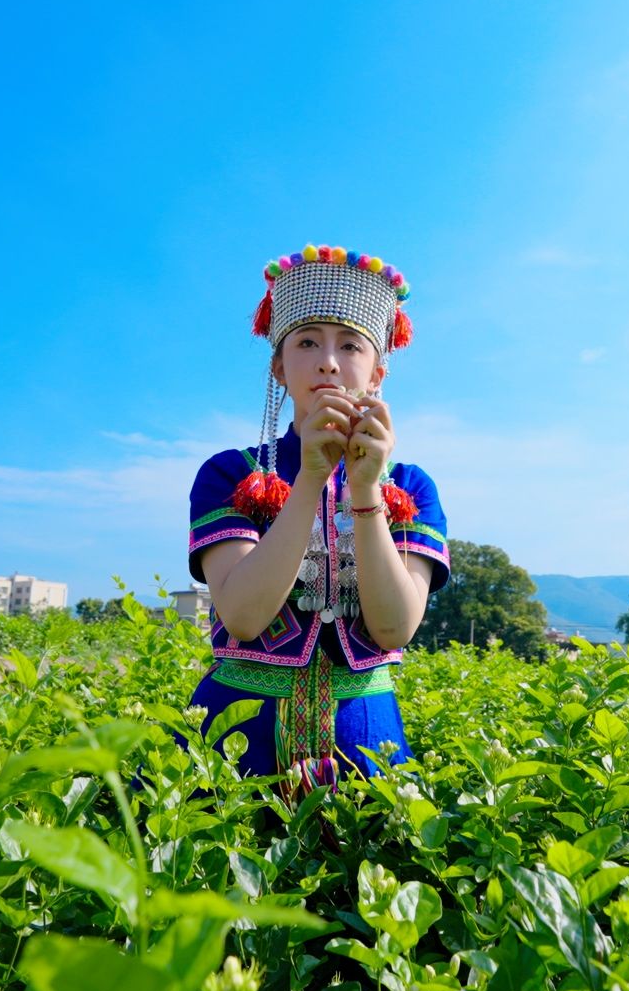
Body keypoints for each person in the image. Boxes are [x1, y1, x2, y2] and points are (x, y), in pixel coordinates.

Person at [184, 244, 449, 793]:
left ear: (377, 372)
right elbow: (243, 616)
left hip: (367, 742)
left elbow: (395, 627)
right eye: (306, 342)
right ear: (279, 367)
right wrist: (309, 479)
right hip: (238, 737)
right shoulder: (229, 474)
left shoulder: (410, 487)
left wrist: (366, 489)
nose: (328, 361)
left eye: (350, 345)